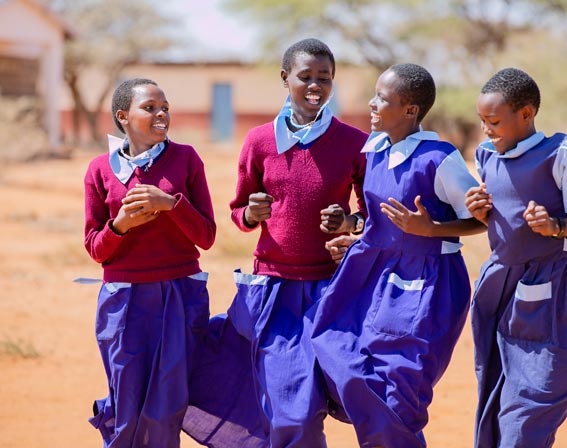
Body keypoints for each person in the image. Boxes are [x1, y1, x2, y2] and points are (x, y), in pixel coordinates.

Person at [311, 63, 486, 447]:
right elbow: (378, 217)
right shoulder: (372, 150)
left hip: (426, 285)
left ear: (410, 110)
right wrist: (352, 224)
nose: (372, 104)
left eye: (382, 99)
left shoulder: (438, 158)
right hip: (371, 278)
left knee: (398, 393)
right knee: (341, 354)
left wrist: (430, 230)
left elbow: (481, 220)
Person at [465, 67, 567, 447]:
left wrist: (557, 225)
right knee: (497, 407)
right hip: (500, 297)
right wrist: (478, 211)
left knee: (527, 419)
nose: (487, 130)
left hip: (557, 301)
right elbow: (499, 219)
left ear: (527, 114)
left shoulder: (562, 154)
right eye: (483, 121)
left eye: (495, 121)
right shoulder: (486, 154)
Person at [226, 38, 368, 447]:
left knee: (354, 392)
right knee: (293, 410)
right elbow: (239, 211)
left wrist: (349, 221)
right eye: (305, 76)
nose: (315, 86)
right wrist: (252, 213)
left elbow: (370, 211)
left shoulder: (352, 142)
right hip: (276, 291)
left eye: (325, 78)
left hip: (335, 290)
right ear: (285, 78)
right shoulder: (259, 142)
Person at [84, 78, 217, 447]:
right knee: (127, 408)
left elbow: (206, 236)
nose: (161, 115)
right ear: (122, 116)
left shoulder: (186, 158)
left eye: (165, 108)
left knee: (164, 411)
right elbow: (95, 248)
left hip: (180, 295)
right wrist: (120, 226)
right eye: (150, 108)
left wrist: (170, 204)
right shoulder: (100, 169)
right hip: (124, 303)